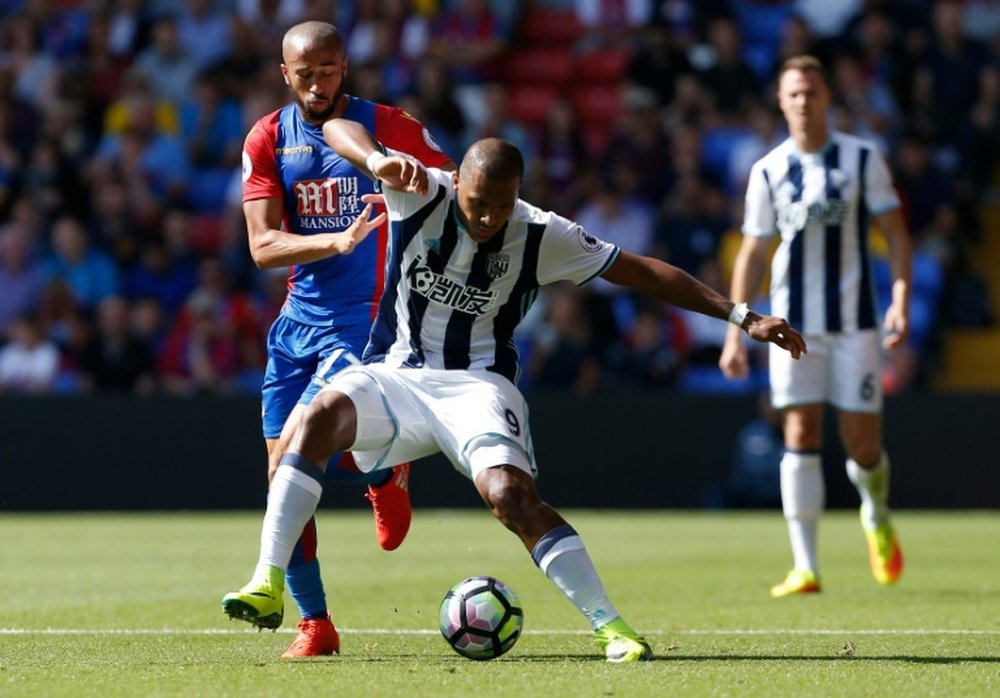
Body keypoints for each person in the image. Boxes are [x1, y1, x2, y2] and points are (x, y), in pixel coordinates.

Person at [222, 126, 806, 662]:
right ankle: (267, 581)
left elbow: (640, 271)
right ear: (461, 185)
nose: (486, 218)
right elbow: (337, 129)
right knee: (316, 415)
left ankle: (612, 627)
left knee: (511, 497)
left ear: (517, 193)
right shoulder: (422, 190)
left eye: (501, 206)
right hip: (396, 375)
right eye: (477, 204)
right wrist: (376, 158)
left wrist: (739, 314)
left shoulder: (542, 232)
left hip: (477, 384)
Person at [239, 21, 455, 657]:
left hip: (369, 319)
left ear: (344, 66)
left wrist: (420, 184)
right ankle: (317, 624)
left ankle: (382, 472)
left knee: (318, 444)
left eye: (328, 70)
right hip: (297, 322)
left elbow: (457, 194)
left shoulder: (388, 123)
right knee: (282, 475)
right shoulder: (269, 137)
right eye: (304, 73)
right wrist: (332, 242)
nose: (317, 83)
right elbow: (261, 245)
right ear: (285, 74)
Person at [719, 55, 911, 598]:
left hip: (854, 326)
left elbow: (896, 233)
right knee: (799, 433)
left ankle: (874, 511)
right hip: (792, 326)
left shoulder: (862, 157)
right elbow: (753, 254)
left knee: (861, 446)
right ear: (781, 102)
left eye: (812, 92)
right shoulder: (767, 170)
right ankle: (806, 566)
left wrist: (899, 299)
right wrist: (737, 328)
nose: (803, 101)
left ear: (827, 98)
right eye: (793, 94)